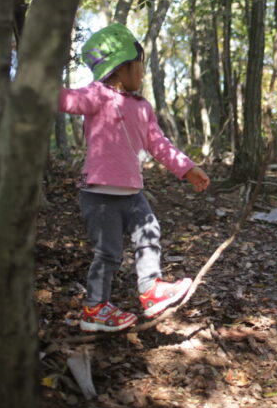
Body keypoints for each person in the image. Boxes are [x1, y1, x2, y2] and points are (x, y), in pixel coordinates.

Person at [59, 23, 211, 332]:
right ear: (120, 66)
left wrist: (187, 167)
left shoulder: (142, 107)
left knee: (149, 232)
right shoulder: (97, 95)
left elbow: (158, 144)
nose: (142, 72)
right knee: (108, 252)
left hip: (131, 192)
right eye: (139, 65)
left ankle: (151, 290)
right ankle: (96, 308)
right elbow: (67, 100)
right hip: (98, 193)